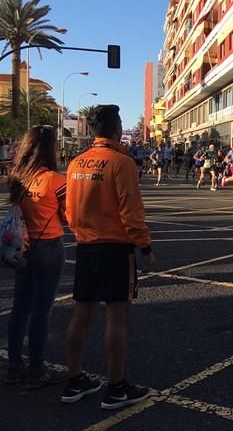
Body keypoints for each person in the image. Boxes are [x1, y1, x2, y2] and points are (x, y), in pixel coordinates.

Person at [63, 105, 155, 409]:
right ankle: (116, 387)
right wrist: (145, 249)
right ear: (117, 129)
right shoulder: (121, 162)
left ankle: (74, 380)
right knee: (117, 317)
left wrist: (81, 232)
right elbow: (132, 212)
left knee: (81, 313)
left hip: (85, 246)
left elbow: (69, 210)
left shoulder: (76, 163)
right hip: (115, 248)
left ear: (92, 130)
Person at [6, 126, 67, 388]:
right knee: (42, 308)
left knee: (20, 307)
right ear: (49, 149)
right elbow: (68, 215)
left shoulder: (17, 177)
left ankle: (15, 365)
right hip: (48, 245)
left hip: (22, 245)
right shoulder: (55, 180)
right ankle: (37, 369)